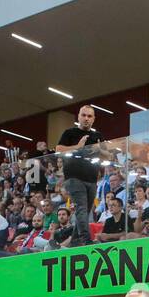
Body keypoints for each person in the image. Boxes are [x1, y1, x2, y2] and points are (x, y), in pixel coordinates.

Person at [55, 105, 105, 247]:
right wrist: (77, 146)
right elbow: (58, 150)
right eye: (84, 115)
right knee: (82, 209)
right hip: (74, 178)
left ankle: (74, 242)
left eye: (89, 116)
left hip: (92, 178)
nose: (86, 118)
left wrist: (101, 149)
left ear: (94, 119)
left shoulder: (98, 136)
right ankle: (86, 241)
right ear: (78, 117)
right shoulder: (69, 132)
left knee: (85, 211)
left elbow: (108, 155)